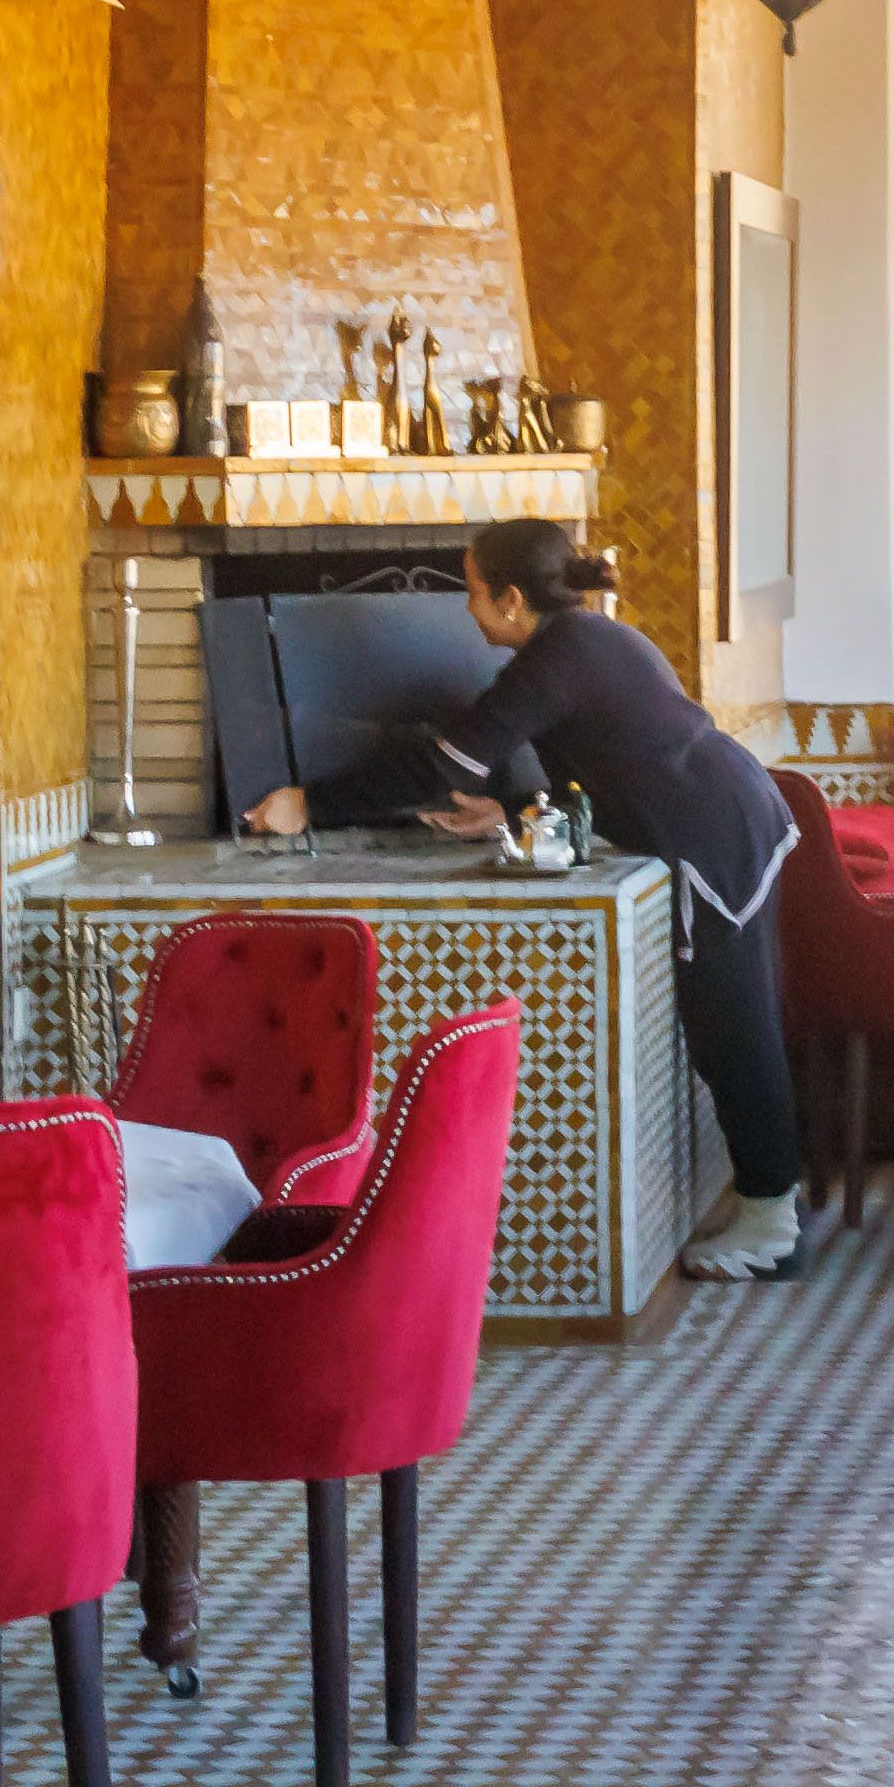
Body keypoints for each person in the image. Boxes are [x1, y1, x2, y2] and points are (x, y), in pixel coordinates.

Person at [243, 519, 817, 1282]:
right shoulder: (584, 640)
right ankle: (775, 1202)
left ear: (511, 599)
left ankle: (771, 1223)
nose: (467, 608)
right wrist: (512, 810)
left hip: (709, 830)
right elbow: (609, 755)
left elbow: (443, 765)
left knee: (730, 1024)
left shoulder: (558, 656)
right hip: (728, 811)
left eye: (472, 591)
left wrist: (309, 803)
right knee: (736, 1016)